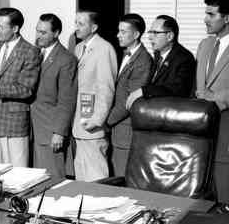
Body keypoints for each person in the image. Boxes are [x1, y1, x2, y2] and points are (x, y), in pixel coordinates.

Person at [0, 7, 41, 167]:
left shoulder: (30, 52)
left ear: (15, 28)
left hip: (14, 124)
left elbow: (26, 90)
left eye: (1, 27)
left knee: (17, 173)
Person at [72, 10, 117, 181]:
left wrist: (97, 119)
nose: (76, 27)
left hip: (93, 124)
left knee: (96, 176)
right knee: (81, 175)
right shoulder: (78, 48)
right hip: (79, 121)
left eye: (81, 24)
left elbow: (106, 88)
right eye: (76, 23)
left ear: (94, 27)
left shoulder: (104, 49)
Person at [31, 13, 77, 177]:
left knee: (53, 179)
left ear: (56, 33)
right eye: (37, 31)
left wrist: (59, 132)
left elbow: (67, 99)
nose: (38, 36)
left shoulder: (66, 59)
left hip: (50, 130)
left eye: (43, 32)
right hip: (34, 128)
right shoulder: (36, 53)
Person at [107, 13, 152, 176]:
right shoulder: (124, 54)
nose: (118, 35)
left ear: (136, 34)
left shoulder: (143, 60)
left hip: (125, 131)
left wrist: (105, 122)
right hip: (117, 130)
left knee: (122, 177)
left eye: (123, 32)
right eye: (118, 31)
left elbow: (129, 100)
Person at [195, 0, 229, 203]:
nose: (205, 19)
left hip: (225, 123)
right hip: (200, 125)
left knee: (223, 183)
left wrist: (215, 97)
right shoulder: (204, 44)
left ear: (226, 18)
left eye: (211, 14)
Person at [126, 15, 195, 109]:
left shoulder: (184, 58)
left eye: (155, 33)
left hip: (170, 111)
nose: (150, 37)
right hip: (152, 109)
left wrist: (144, 91)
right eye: (150, 32)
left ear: (169, 36)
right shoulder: (158, 54)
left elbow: (177, 89)